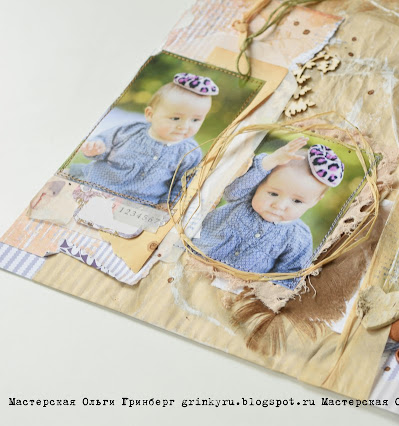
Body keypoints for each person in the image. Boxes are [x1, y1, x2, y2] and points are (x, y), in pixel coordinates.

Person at [193, 138, 345, 290]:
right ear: (260, 182)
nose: (279, 205)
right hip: (195, 259)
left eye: (297, 201)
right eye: (273, 193)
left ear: (315, 201)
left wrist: (264, 292)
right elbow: (231, 190)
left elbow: (289, 276)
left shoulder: (298, 237)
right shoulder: (244, 196)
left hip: (233, 289)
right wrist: (271, 161)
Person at [71, 72, 218, 205]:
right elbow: (102, 142)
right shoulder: (130, 131)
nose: (184, 126)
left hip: (140, 203)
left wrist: (167, 204)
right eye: (175, 118)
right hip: (99, 186)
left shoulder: (190, 153)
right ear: (150, 114)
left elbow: (184, 184)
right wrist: (96, 149)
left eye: (195, 120)